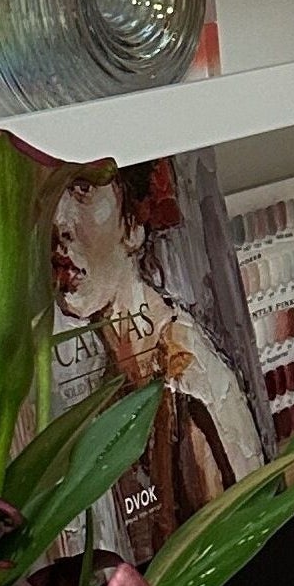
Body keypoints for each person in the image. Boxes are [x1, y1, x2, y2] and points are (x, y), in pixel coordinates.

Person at [51, 159, 264, 561]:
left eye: (82, 190)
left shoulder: (189, 388)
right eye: (49, 196)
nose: (58, 223)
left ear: (134, 224)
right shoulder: (111, 377)